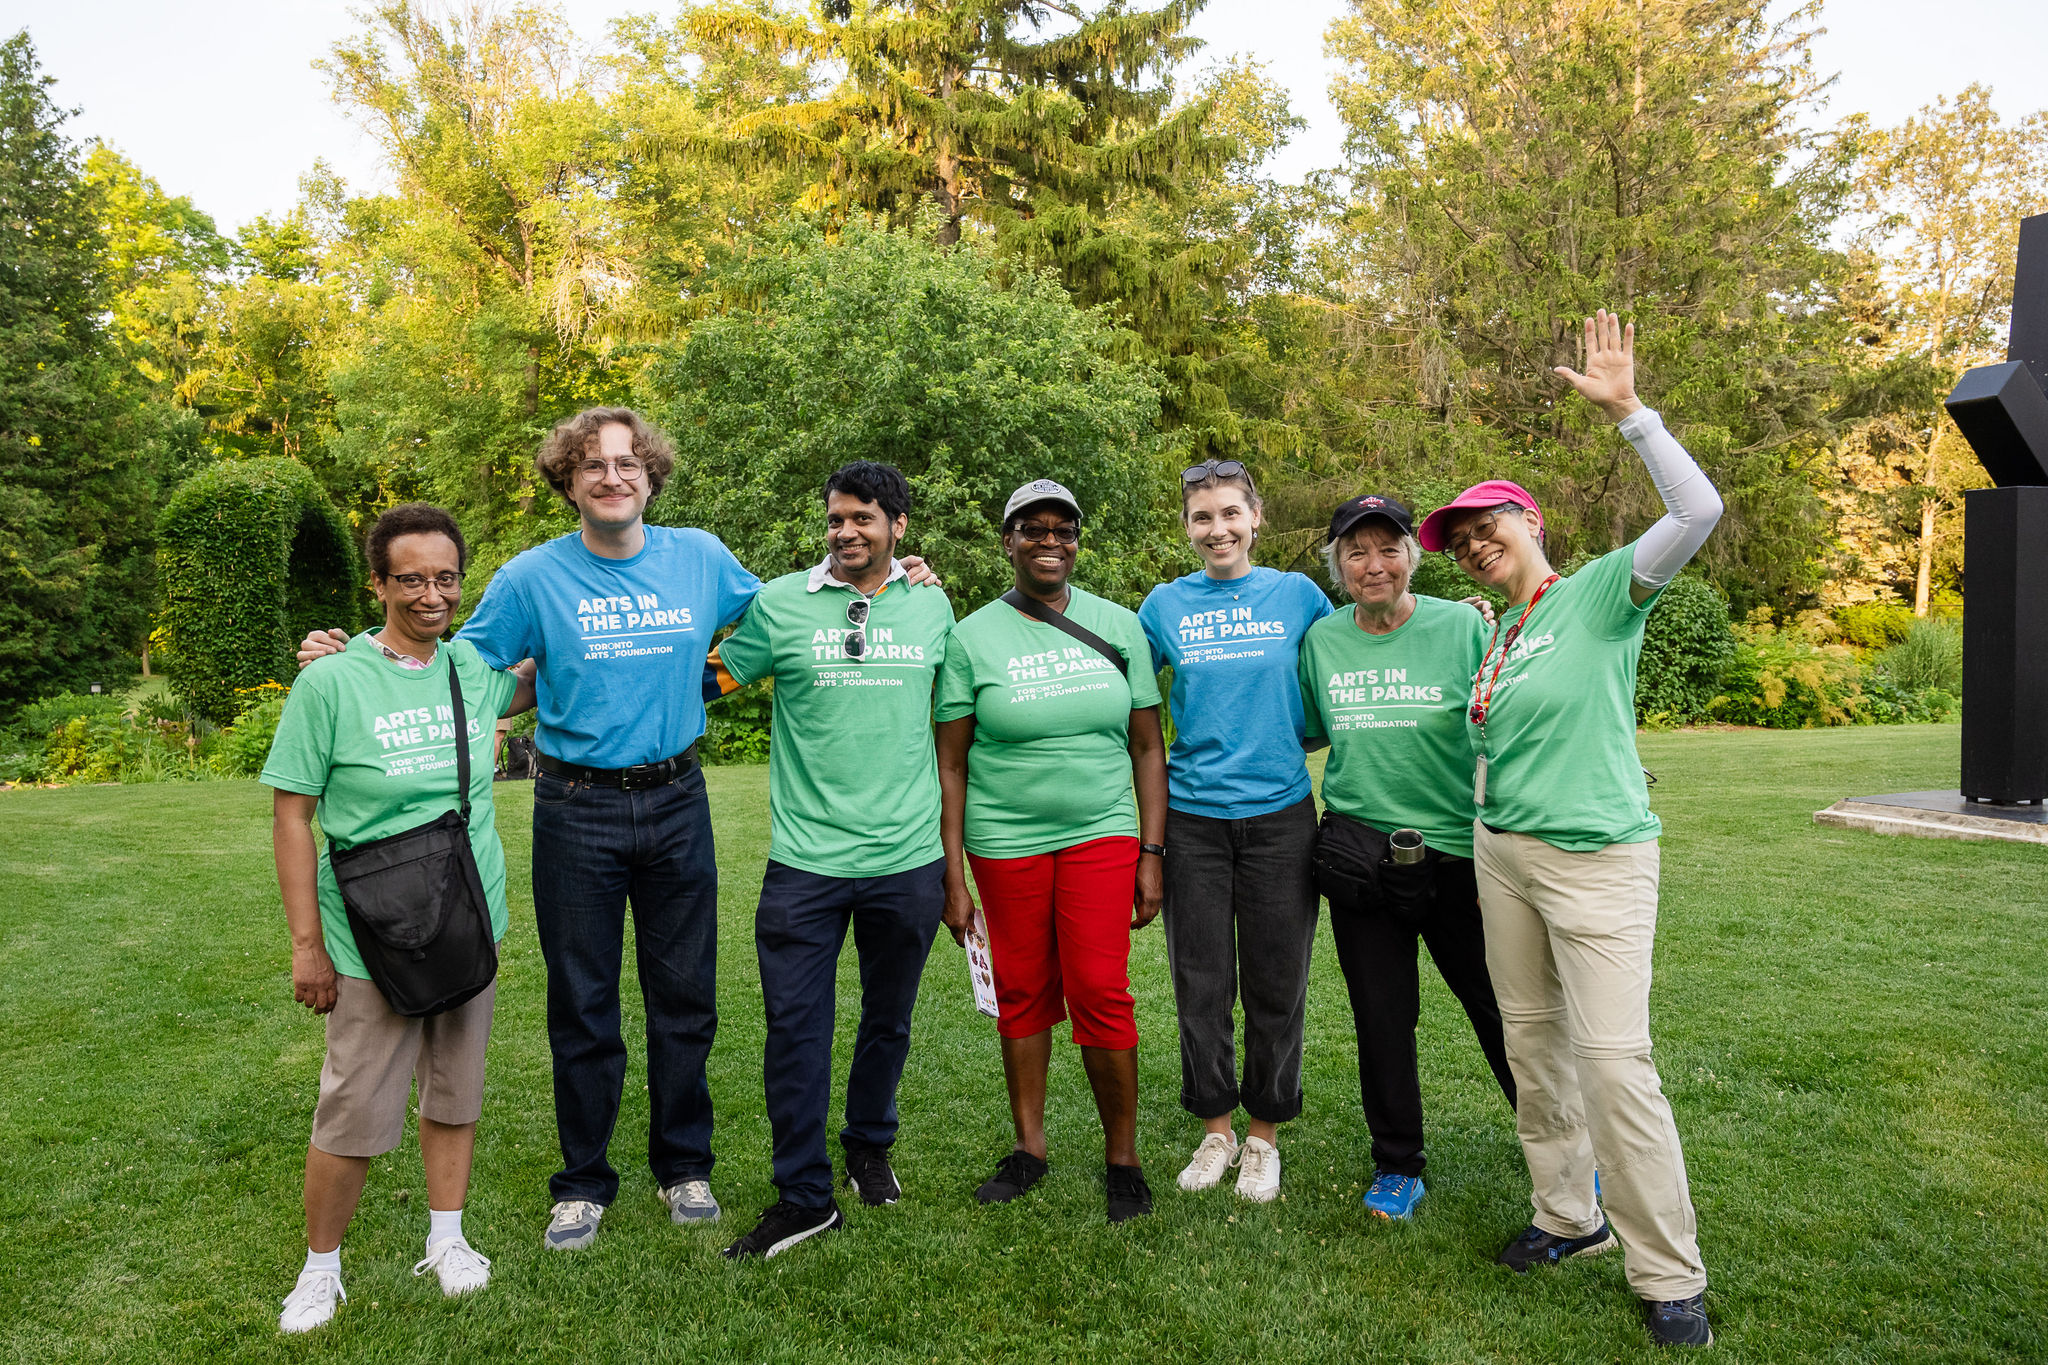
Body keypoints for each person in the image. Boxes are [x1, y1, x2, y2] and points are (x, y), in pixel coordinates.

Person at [296, 411, 941, 1252]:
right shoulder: (531, 577)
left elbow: (803, 603)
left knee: (684, 998)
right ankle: (584, 1184)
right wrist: (356, 658)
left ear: (650, 476)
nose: (612, 475)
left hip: (677, 799)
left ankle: (684, 1167)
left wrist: (898, 573)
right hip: (575, 807)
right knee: (585, 1002)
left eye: (627, 462)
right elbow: (453, 665)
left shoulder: (702, 559)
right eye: (593, 464)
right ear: (569, 479)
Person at [1418, 311, 1722, 1349]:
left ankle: (1667, 1270)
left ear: (1529, 522)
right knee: (1533, 1048)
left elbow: (1696, 509)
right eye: (1457, 542)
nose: (1469, 545)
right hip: (1501, 854)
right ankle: (1567, 1216)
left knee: (1611, 1060)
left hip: (1593, 859)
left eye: (1482, 526)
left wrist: (1630, 413)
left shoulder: (1597, 594)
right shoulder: (1495, 632)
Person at [262, 503, 534, 1333]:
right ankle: (319, 1270)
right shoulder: (330, 680)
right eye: (409, 578)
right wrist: (308, 945)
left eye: (445, 577)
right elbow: (292, 816)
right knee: (352, 1108)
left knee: (455, 1090)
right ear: (376, 583)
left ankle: (448, 1240)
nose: (430, 594)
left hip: (467, 920)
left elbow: (589, 646)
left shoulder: (477, 672)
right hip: (366, 936)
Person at [707, 461, 954, 1259]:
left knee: (888, 1018)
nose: (848, 531)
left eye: (865, 519)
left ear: (900, 527)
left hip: (907, 856)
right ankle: (803, 1193)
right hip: (805, 862)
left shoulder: (933, 604)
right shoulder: (782, 603)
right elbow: (707, 679)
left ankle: (868, 1144)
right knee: (795, 1029)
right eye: (837, 519)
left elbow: (962, 724)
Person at [934, 479, 1169, 1224]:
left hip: (1102, 829)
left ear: (1077, 541)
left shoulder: (1119, 624)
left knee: (1100, 987)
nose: (1048, 541)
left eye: (1062, 529)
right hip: (1005, 840)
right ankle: (1030, 1148)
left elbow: (1146, 744)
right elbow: (951, 762)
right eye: (1031, 529)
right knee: (1023, 986)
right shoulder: (971, 636)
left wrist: (1152, 851)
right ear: (1007, 541)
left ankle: (1123, 1156)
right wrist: (952, 872)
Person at [1296, 493, 1517, 1223]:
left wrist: (1500, 847)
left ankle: (1564, 1139)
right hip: (1363, 859)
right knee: (1382, 1019)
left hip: (1461, 860)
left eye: (1388, 547)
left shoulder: (1461, 625)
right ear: (1337, 566)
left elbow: (1504, 728)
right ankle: (1398, 1165)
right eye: (1354, 552)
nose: (1373, 564)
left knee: (1505, 1010)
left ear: (1411, 558)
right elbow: (1306, 730)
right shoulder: (1322, 641)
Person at [1135, 460, 1331, 1203]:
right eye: (1201, 517)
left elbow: (1341, 666)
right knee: (1201, 981)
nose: (1217, 529)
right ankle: (1216, 1129)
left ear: (1257, 518)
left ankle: (1262, 1136)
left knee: (1279, 981)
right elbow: (1117, 682)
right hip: (1193, 820)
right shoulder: (1163, 605)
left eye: (1229, 513)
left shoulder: (1298, 595)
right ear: (1187, 528)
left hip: (1282, 817)